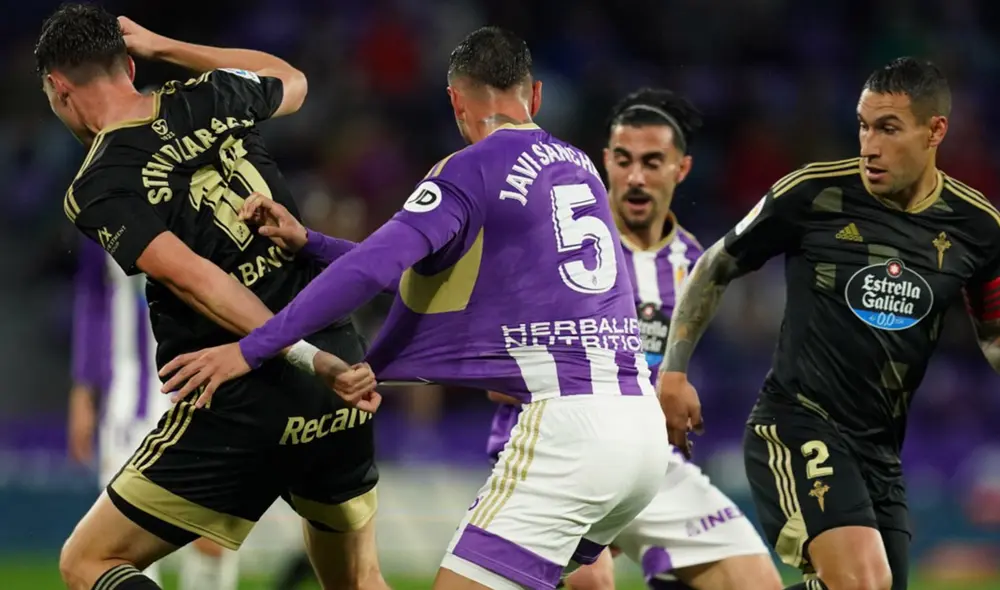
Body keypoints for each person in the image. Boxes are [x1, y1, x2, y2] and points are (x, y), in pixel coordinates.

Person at [161, 26, 672, 590]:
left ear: (455, 100)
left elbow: (374, 269)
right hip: (641, 431)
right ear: (536, 95)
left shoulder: (472, 168)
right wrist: (311, 243)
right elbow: (434, 285)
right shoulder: (580, 166)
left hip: (572, 429)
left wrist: (251, 348)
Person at [36, 5, 384, 590]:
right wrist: (165, 45)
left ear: (58, 87)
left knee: (87, 562)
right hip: (343, 368)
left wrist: (304, 357)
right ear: (130, 64)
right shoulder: (212, 93)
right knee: (359, 580)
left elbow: (197, 279)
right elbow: (291, 79)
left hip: (245, 393)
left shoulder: (98, 184)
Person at [658, 57, 1000, 590]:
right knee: (862, 581)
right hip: (798, 424)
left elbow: (994, 334)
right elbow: (714, 266)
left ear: (935, 131)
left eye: (888, 128)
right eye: (864, 126)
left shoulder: (976, 227)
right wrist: (674, 371)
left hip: (880, 454)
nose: (870, 145)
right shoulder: (814, 193)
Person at [485, 89, 781, 590]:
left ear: (682, 169)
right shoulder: (559, 243)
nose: (636, 177)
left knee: (756, 584)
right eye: (623, 161)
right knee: (592, 582)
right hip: (559, 454)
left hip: (646, 462)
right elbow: (500, 375)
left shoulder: (693, 263)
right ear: (605, 162)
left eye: (652, 162)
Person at [68, 237, 240, 590]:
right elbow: (92, 297)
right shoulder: (100, 215)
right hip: (126, 403)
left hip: (199, 387)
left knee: (211, 539)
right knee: (119, 544)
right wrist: (83, 389)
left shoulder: (205, 213)